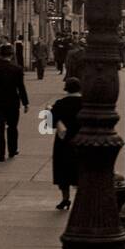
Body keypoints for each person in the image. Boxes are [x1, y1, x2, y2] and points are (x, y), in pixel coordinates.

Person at [0, 43, 30, 161]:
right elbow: (21, 87)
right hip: (12, 102)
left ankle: (1, 153)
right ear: (12, 55)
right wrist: (25, 102)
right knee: (12, 127)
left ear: (0, 54)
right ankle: (13, 149)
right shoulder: (17, 69)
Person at [50, 77, 84, 210]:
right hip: (81, 140)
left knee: (63, 170)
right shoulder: (85, 103)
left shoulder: (60, 104)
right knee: (80, 169)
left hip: (63, 142)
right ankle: (81, 198)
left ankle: (65, 198)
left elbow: (50, 123)